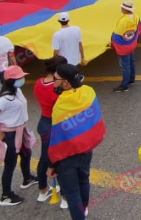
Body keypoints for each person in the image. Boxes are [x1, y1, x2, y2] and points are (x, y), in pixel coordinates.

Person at [48, 64, 106, 220]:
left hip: (67, 157)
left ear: (65, 83)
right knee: (84, 181)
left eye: (55, 79)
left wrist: (51, 164)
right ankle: (84, 210)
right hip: (86, 150)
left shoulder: (61, 104)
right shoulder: (89, 92)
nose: (53, 82)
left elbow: (56, 138)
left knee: (72, 193)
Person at [0, 66, 38, 206]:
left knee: (26, 154)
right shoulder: (5, 99)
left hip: (21, 130)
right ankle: (5, 196)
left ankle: (27, 179)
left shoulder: (17, 91)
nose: (22, 79)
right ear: (11, 81)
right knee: (10, 165)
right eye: (19, 77)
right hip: (10, 134)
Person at [34, 57, 69, 208]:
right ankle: (65, 198)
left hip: (43, 122)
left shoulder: (38, 83)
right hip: (57, 125)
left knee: (45, 157)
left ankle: (43, 190)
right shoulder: (57, 89)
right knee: (60, 160)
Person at [112, 0, 139, 93]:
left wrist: (112, 41)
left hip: (124, 46)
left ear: (125, 9)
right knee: (131, 61)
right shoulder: (136, 16)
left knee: (125, 65)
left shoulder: (124, 20)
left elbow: (117, 34)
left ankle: (124, 85)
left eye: (122, 7)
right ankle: (132, 79)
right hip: (131, 43)